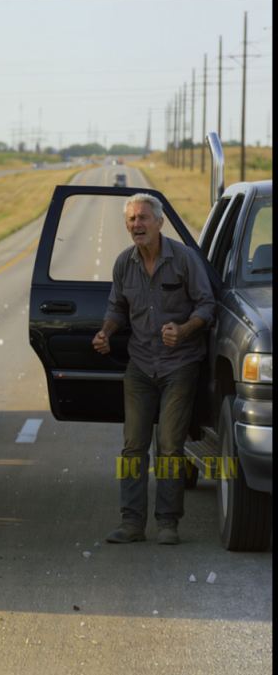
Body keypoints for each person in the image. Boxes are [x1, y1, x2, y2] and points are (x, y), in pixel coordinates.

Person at [92, 193, 215, 546]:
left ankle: (167, 523)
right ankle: (131, 523)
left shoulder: (185, 260)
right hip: (141, 364)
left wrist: (185, 329)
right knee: (133, 447)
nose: (136, 225)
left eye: (143, 218)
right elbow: (116, 308)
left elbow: (208, 305)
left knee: (170, 445)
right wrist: (106, 332)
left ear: (159, 222)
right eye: (131, 219)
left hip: (180, 364)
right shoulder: (124, 263)